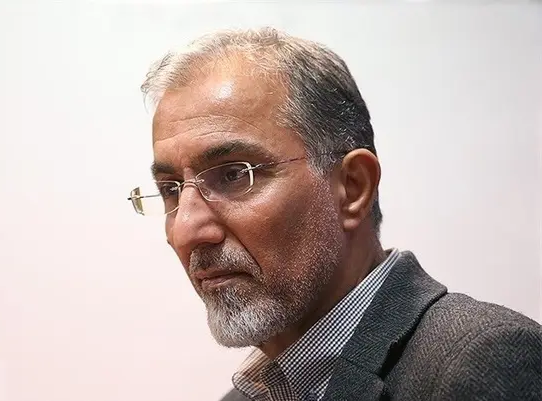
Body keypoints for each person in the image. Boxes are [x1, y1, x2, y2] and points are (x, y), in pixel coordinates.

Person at [128, 27, 541, 401]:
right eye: (170, 189)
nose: (186, 230)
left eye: (234, 175)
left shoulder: (481, 363)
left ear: (353, 188)